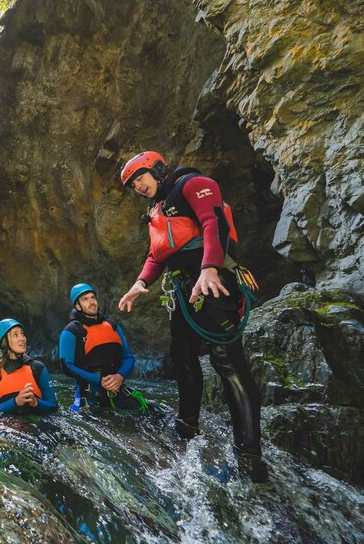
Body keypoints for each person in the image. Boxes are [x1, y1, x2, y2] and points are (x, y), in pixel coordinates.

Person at [117, 151, 268, 482]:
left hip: (214, 282)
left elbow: (213, 222)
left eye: (140, 177)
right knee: (182, 357)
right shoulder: (156, 210)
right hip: (182, 289)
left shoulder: (193, 184)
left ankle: (249, 454)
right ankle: (187, 427)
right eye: (132, 184)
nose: (138, 186)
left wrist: (210, 268)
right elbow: (157, 255)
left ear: (157, 169)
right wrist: (140, 283)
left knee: (227, 360)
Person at [59, 283, 147, 412]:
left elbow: (128, 357)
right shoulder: (71, 331)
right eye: (85, 299)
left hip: (117, 388)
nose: (92, 302)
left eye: (93, 297)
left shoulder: (112, 325)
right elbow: (67, 367)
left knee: (152, 414)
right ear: (77, 306)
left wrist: (119, 376)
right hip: (90, 394)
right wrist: (100, 381)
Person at [0, 319, 58, 414]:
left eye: (22, 334)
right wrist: (15, 402)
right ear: (5, 342)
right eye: (15, 335)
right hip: (5, 425)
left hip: (35, 424)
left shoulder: (38, 368)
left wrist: (36, 402)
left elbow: (53, 406)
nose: (22, 338)